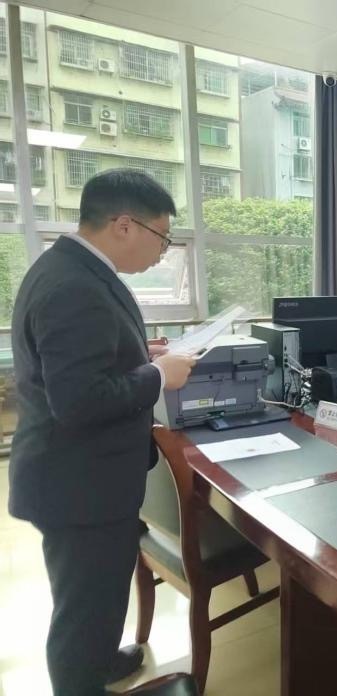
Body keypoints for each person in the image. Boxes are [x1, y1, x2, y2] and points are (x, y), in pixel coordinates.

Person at [8, 169, 196, 695]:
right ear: (124, 225)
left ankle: (100, 662)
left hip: (79, 478)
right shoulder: (75, 287)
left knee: (97, 597)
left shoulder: (72, 268)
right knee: (83, 610)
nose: (163, 250)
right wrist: (158, 375)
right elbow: (80, 401)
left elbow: (82, 362)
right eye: (162, 236)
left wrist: (140, 353)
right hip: (78, 487)